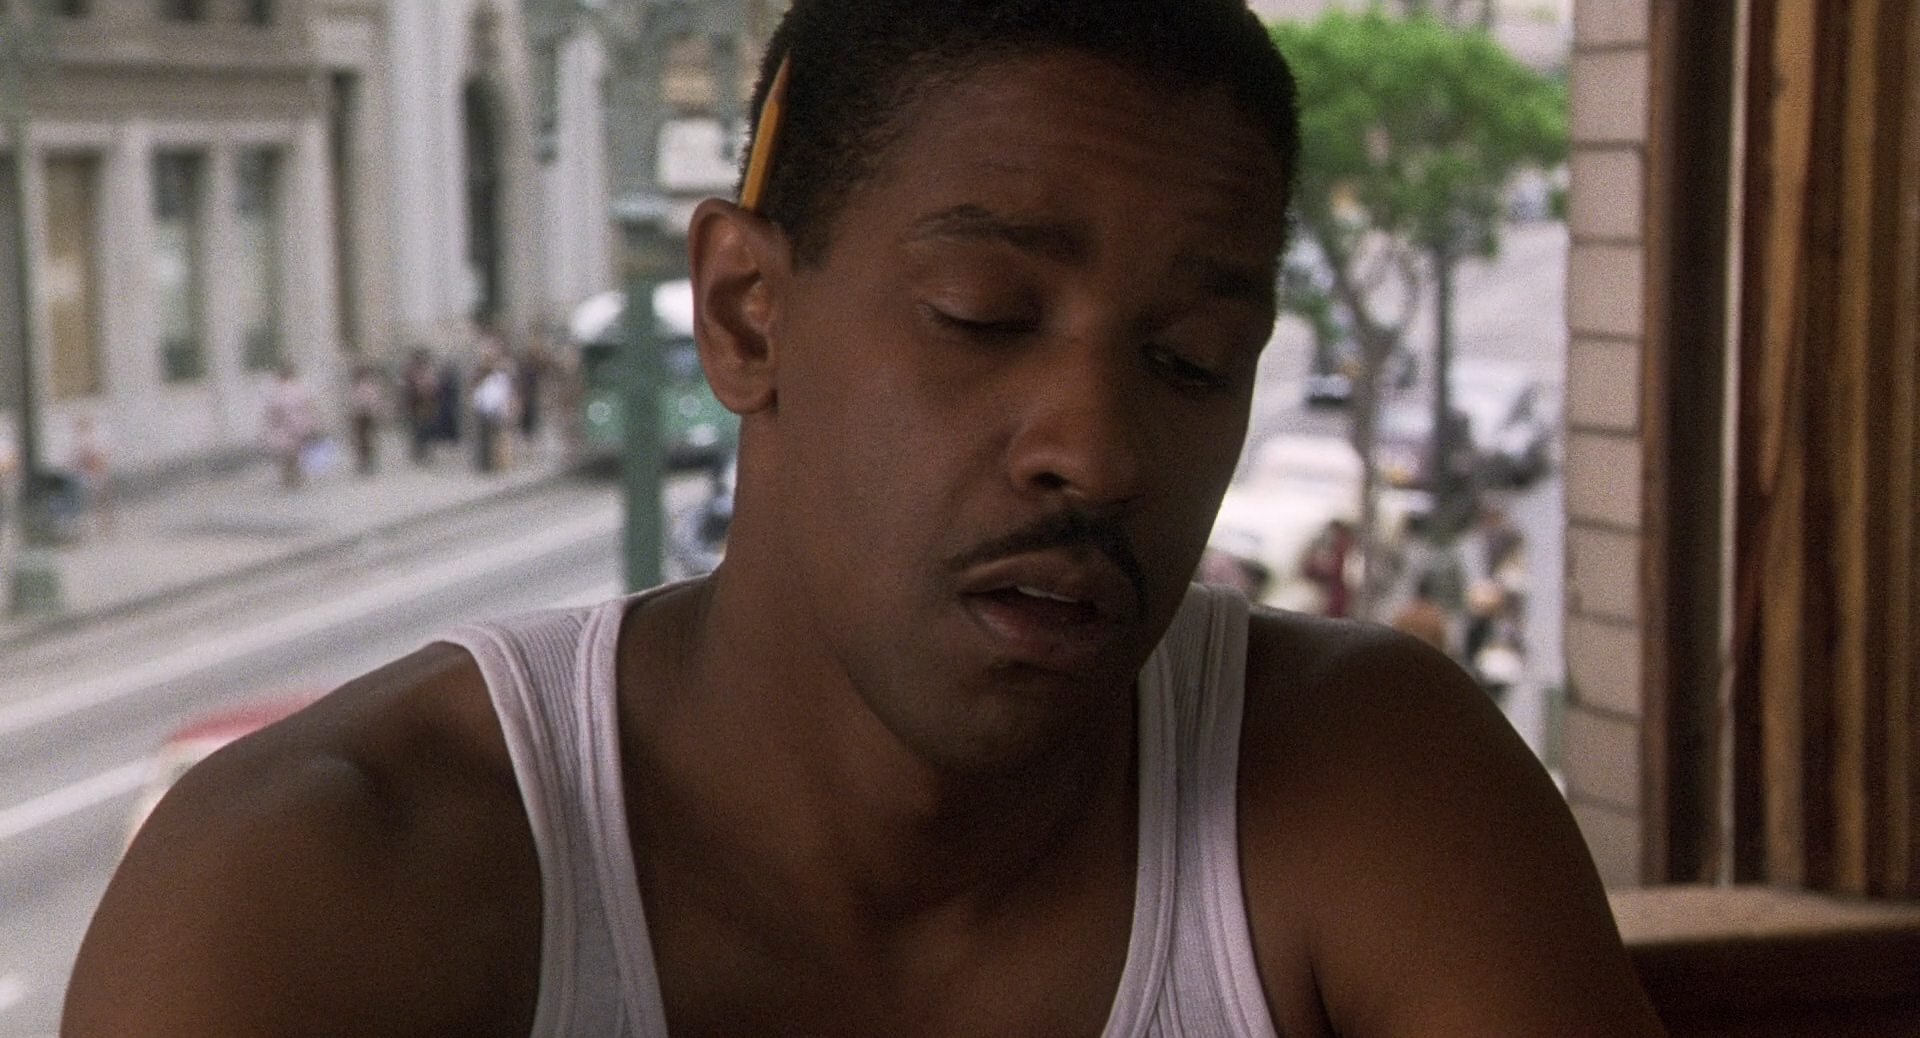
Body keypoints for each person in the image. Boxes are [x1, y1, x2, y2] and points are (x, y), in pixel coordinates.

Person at [66, 3, 1664, 1035]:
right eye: (982, 314)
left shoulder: (1367, 788)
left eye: (1191, 357)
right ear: (744, 314)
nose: (1098, 451)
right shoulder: (318, 888)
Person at [261, 362, 318, 491]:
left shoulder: (278, 391)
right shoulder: (298, 388)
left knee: (287, 452)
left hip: (285, 425)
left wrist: (273, 423)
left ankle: (289, 475)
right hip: (297, 424)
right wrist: (310, 422)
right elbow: (308, 405)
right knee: (294, 451)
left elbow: (273, 410)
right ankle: (293, 475)